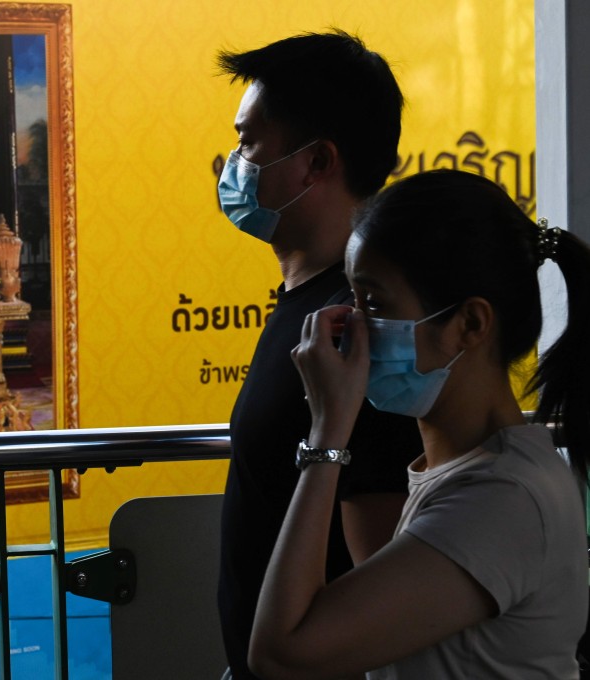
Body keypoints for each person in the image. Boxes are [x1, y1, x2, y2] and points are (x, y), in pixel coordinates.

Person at [248, 169, 590, 678]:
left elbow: (283, 654)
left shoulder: (502, 499)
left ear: (470, 324)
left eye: (374, 303)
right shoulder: (464, 467)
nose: (353, 325)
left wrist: (328, 432)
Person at [215, 31, 423, 679]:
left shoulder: (356, 326)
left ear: (317, 161)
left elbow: (377, 578)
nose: (232, 163)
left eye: (250, 142)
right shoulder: (304, 302)